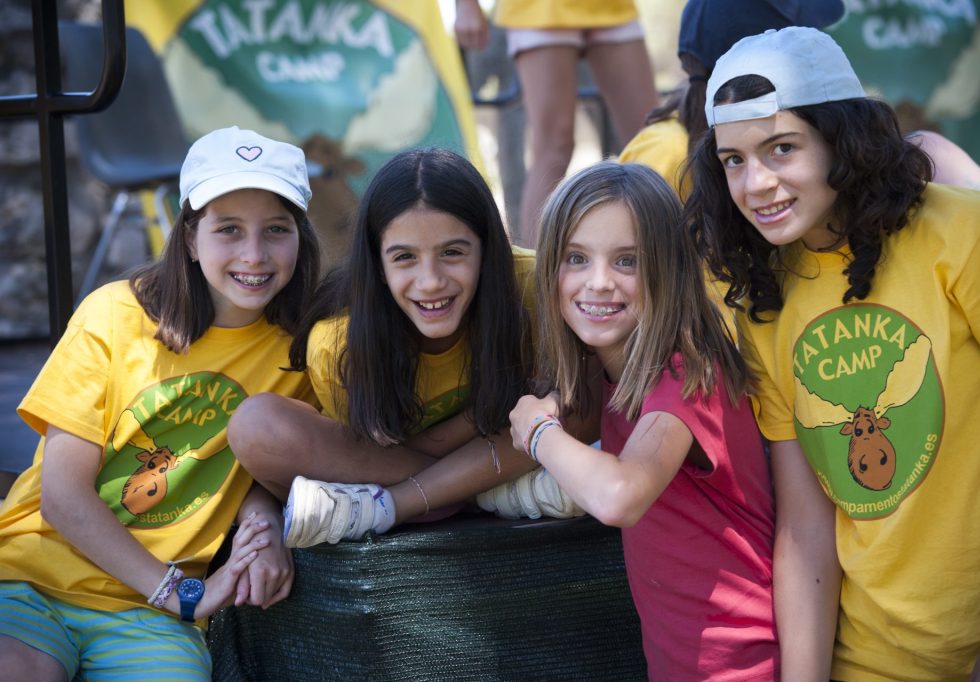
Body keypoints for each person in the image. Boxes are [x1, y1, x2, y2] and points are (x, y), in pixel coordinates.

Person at [685, 26, 980, 679]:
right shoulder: (762, 296)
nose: (755, 183)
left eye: (781, 149)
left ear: (842, 140)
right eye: (733, 160)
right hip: (870, 659)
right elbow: (807, 529)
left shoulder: (968, 233)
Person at [0, 126, 322, 680]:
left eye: (276, 229)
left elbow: (246, 473)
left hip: (147, 616)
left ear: (301, 237)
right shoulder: (114, 316)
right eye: (228, 229)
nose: (254, 253)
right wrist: (176, 592)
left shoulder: (303, 351)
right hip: (33, 577)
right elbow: (61, 497)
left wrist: (265, 528)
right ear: (191, 240)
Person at [228, 147, 586, 548]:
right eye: (404, 258)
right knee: (256, 425)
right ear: (377, 265)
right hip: (498, 460)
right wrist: (481, 426)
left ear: (487, 250)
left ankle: (424, 499)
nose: (430, 281)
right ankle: (491, 493)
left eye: (452, 253)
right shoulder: (337, 339)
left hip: (434, 477)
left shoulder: (537, 285)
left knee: (584, 398)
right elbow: (377, 455)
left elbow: (584, 407)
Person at [507, 161, 777, 680]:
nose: (599, 283)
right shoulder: (607, 372)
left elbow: (619, 496)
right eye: (576, 258)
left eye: (627, 261)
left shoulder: (687, 372)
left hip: (739, 664)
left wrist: (538, 432)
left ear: (668, 270)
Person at [620, 0, 980, 214]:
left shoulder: (859, 148)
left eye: (782, 149)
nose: (823, 42)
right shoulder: (666, 155)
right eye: (733, 161)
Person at [455, 0, 658, 247]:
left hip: (613, 8)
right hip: (537, 9)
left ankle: (665, 261)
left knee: (652, 136)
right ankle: (534, 272)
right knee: (554, 147)